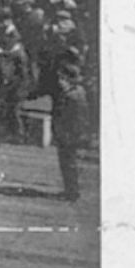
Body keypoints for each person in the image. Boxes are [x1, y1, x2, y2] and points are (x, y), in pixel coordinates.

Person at [48, 54, 89, 202]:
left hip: (68, 134)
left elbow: (68, 116)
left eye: (62, 78)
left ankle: (71, 191)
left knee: (68, 163)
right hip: (71, 133)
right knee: (68, 163)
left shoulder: (71, 96)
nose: (59, 81)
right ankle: (70, 189)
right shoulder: (78, 92)